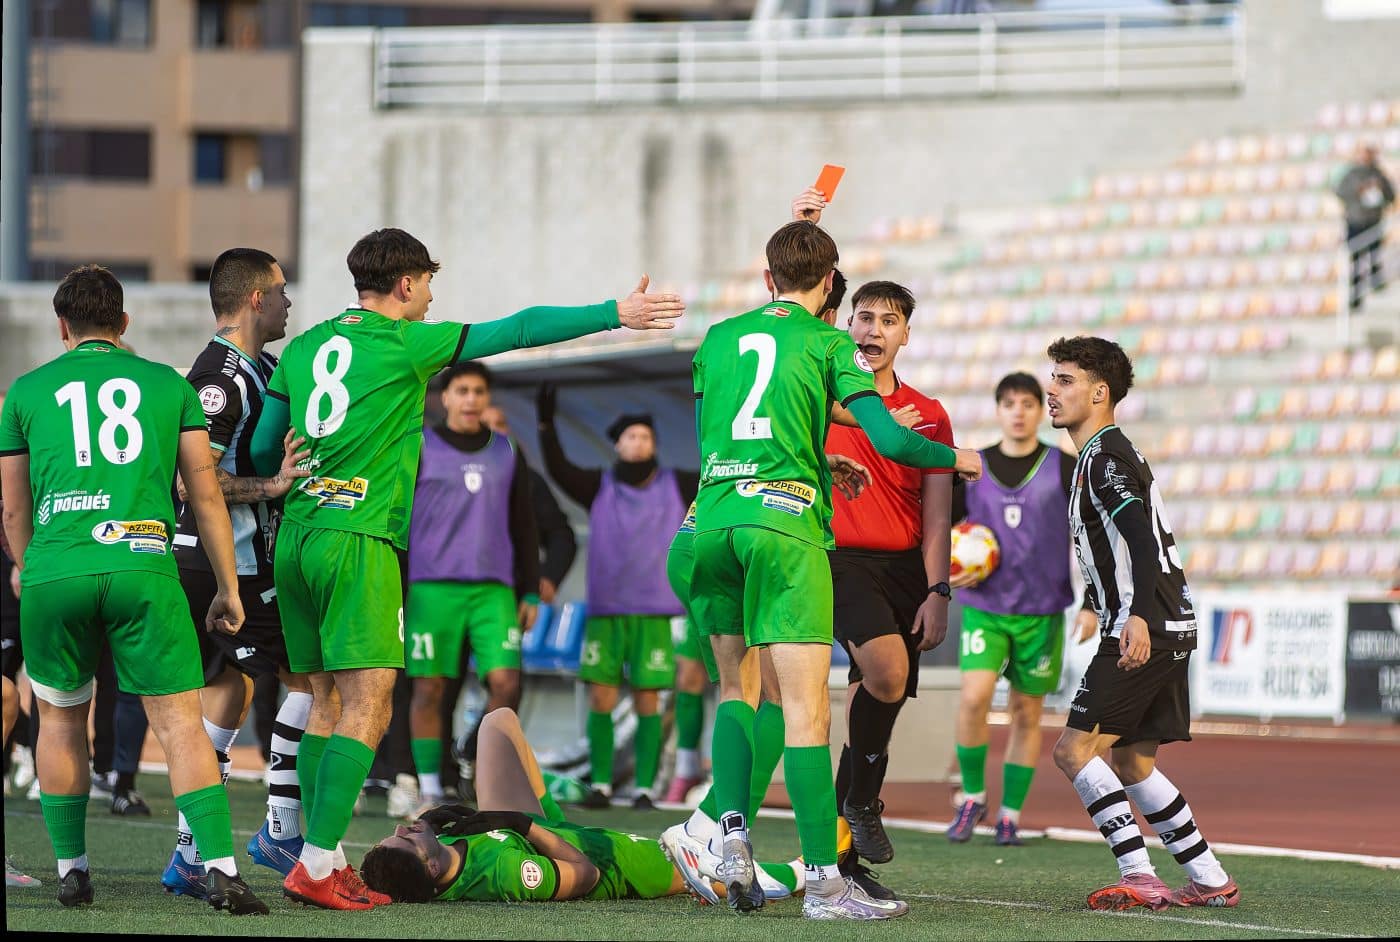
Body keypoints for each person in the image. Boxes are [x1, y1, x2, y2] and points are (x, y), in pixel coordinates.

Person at [247, 226, 684, 910]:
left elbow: (266, 445)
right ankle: (315, 866)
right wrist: (612, 315)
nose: (431, 298)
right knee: (368, 705)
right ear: (405, 285)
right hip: (358, 541)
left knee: (324, 701)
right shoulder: (404, 342)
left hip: (298, 536)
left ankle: (318, 852)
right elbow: (517, 329)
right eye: (427, 285)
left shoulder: (302, 348)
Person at [689, 219, 982, 919]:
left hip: (707, 525)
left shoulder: (717, 338)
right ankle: (825, 881)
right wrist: (960, 458)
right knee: (805, 712)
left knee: (736, 690)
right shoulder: (826, 346)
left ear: (766, 280)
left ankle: (729, 842)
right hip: (786, 533)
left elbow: (721, 429)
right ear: (831, 289)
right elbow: (886, 435)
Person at [0, 265, 268, 914]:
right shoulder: (166, 384)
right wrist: (228, 587)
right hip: (145, 566)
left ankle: (73, 871)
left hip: (55, 572)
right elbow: (204, 494)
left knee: (61, 719)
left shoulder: (24, 393)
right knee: (179, 724)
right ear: (124, 323)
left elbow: (12, 511)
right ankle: (224, 872)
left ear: (62, 326)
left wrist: (29, 566)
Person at [1044, 336, 1239, 911]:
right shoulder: (1101, 454)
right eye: (1052, 379)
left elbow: (1142, 545)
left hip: (1145, 627)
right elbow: (1117, 548)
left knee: (1073, 751)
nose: (1052, 391)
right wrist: (1096, 600)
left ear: (1100, 393)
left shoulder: (1103, 457)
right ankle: (1209, 878)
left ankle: (1140, 875)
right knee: (1132, 761)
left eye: (1065, 380)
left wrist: (1137, 618)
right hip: (1164, 623)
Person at [160, 248, 318, 897]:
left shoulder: (265, 368)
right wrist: (274, 484)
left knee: (229, 687)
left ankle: (189, 853)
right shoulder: (219, 375)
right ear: (255, 298)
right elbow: (194, 478)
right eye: (280, 291)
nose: (287, 302)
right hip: (227, 560)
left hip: (235, 559)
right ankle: (279, 828)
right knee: (312, 680)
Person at [359, 708, 803, 904]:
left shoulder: (439, 849)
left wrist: (440, 821)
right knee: (723, 860)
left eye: (397, 832)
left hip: (543, 831)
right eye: (406, 841)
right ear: (433, 870)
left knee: (497, 723)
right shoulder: (507, 875)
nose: (404, 828)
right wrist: (521, 824)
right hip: (616, 863)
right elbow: (586, 876)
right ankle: (817, 868)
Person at [947, 372, 1097, 846]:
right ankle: (972, 795)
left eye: (1028, 403)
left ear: (1039, 410)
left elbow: (1091, 538)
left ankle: (1010, 813)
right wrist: (946, 571)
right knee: (973, 697)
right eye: (1008, 403)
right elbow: (944, 529)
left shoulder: (1064, 466)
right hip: (985, 607)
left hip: (1042, 610)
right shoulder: (972, 466)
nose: (1018, 411)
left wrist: (1093, 602)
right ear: (998, 409)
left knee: (1026, 713)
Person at [534, 394, 696, 808]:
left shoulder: (677, 484)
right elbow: (560, 469)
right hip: (607, 611)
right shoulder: (597, 486)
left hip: (656, 612)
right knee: (601, 697)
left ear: (654, 444)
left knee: (648, 699)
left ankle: (644, 788)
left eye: (646, 436)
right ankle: (602, 784)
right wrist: (546, 426)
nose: (639, 442)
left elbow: (715, 470)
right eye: (631, 436)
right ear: (617, 445)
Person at [405, 361, 540, 814]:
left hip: (493, 591)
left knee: (506, 683)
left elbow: (525, 523)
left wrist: (531, 590)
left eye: (478, 391)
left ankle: (473, 757)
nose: (470, 399)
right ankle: (428, 789)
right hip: (431, 589)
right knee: (429, 690)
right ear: (444, 398)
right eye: (461, 390)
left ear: (487, 398)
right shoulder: (419, 445)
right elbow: (398, 520)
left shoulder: (507, 449)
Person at [1333, 142, 1395, 310]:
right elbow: (1339, 192)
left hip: (1373, 222)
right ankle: (1355, 295)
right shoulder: (1352, 175)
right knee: (1356, 260)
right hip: (1355, 222)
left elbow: (1391, 196)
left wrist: (1380, 190)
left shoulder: (1379, 175)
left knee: (1374, 256)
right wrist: (1357, 190)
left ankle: (1375, 282)